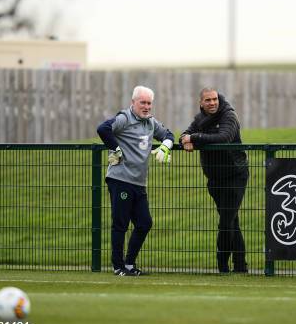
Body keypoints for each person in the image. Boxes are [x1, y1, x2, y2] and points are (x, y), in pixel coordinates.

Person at [97, 85, 174, 276]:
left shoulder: (150, 123)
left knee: (144, 223)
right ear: (133, 102)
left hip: (139, 182)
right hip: (120, 178)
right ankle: (118, 267)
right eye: (143, 102)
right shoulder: (125, 118)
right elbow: (103, 129)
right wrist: (116, 149)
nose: (146, 106)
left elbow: (169, 134)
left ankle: (130, 265)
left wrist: (165, 146)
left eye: (149, 103)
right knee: (120, 224)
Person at [180, 88, 249, 273]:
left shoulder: (229, 115)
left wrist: (194, 138)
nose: (212, 103)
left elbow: (224, 137)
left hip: (235, 175)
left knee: (226, 222)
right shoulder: (199, 119)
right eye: (208, 100)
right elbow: (184, 134)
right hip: (214, 178)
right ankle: (241, 266)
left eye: (214, 99)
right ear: (201, 103)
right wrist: (184, 140)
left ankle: (222, 265)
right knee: (231, 221)